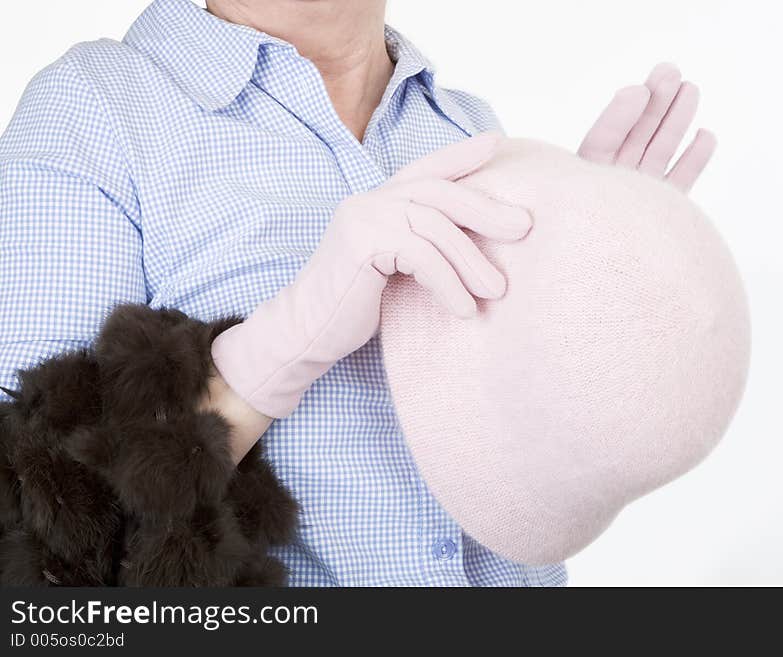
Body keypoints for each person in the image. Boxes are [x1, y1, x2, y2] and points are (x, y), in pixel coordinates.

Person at [0, 0, 714, 586]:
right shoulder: (96, 111)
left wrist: (584, 302)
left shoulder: (468, 131)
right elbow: (41, 545)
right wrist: (283, 342)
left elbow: (520, 521)